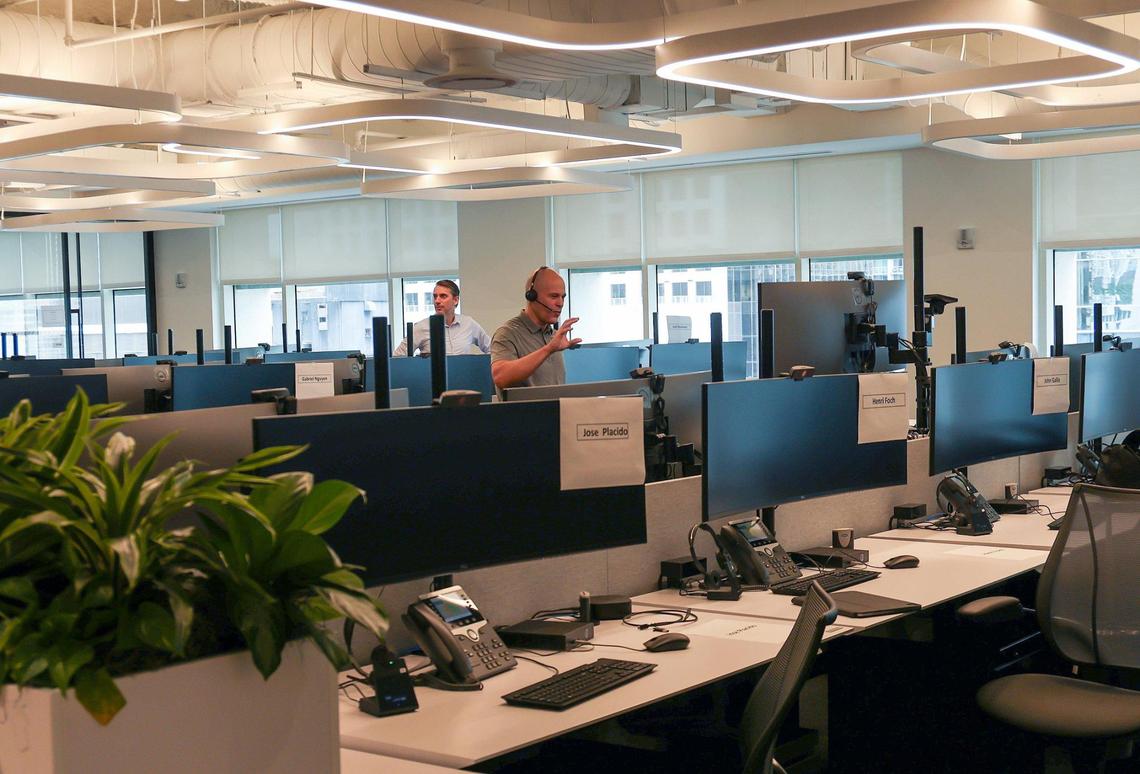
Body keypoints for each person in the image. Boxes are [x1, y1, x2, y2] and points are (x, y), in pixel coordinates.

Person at [490, 266, 581, 391]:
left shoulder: (554, 336)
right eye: (554, 296)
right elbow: (500, 377)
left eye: (563, 297)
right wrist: (548, 349)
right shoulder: (507, 333)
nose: (560, 303)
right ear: (531, 296)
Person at [393, 280, 491, 356]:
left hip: (463, 380)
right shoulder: (421, 327)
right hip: (433, 381)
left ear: (456, 300)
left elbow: (492, 349)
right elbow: (398, 357)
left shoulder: (468, 323)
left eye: (443, 296)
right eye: (435, 296)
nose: (437, 301)